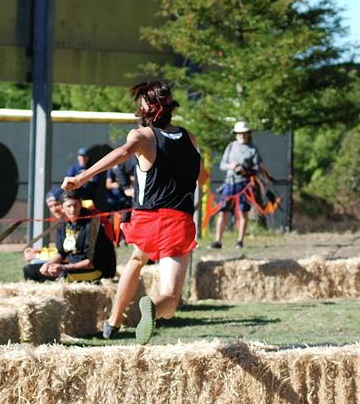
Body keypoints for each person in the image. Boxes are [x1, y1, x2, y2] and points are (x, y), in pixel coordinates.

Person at [62, 80, 205, 344]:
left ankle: (113, 321)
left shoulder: (143, 136)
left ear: (145, 108)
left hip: (148, 219)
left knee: (137, 260)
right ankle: (152, 305)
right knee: (171, 301)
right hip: (179, 221)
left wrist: (82, 176)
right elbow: (202, 177)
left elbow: (121, 153)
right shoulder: (189, 137)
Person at [26, 191, 116, 282]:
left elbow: (91, 261)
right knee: (30, 270)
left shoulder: (91, 224)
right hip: (72, 265)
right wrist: (48, 264)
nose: (72, 210)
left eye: (75, 205)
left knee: (63, 275)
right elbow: (61, 253)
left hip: (97, 269)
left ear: (80, 205)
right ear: (62, 208)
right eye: (69, 206)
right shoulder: (63, 225)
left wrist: (64, 267)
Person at [211, 121, 263, 249]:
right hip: (229, 183)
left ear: (248, 134)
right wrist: (231, 166)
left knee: (243, 213)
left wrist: (246, 171)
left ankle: (240, 241)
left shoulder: (253, 149)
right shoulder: (230, 146)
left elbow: (257, 169)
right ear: (236, 134)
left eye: (244, 133)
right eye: (240, 133)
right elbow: (222, 165)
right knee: (223, 212)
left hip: (244, 185)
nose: (242, 135)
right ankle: (218, 241)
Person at [22, 187, 65, 279]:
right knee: (32, 265)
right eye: (50, 206)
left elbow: (67, 253)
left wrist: (38, 255)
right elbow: (61, 248)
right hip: (65, 262)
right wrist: (40, 252)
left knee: (31, 268)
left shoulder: (71, 222)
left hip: (73, 265)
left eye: (57, 205)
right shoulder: (62, 223)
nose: (54, 210)